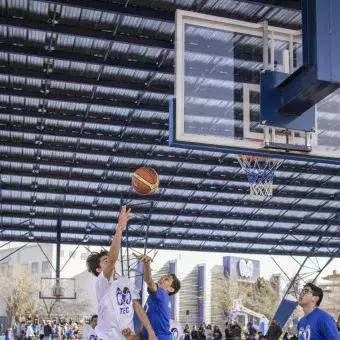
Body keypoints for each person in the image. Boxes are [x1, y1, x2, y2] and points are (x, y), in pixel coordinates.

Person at [86, 206, 156, 340]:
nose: (110, 261)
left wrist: (150, 331)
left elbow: (137, 306)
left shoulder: (125, 281)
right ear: (99, 270)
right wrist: (120, 228)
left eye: (109, 259)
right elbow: (113, 258)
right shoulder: (102, 283)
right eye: (105, 260)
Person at [133, 252, 181, 340]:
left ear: (170, 289)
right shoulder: (158, 297)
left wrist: (147, 264)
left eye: (167, 279)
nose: (162, 277)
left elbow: (148, 280)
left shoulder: (162, 294)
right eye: (164, 276)